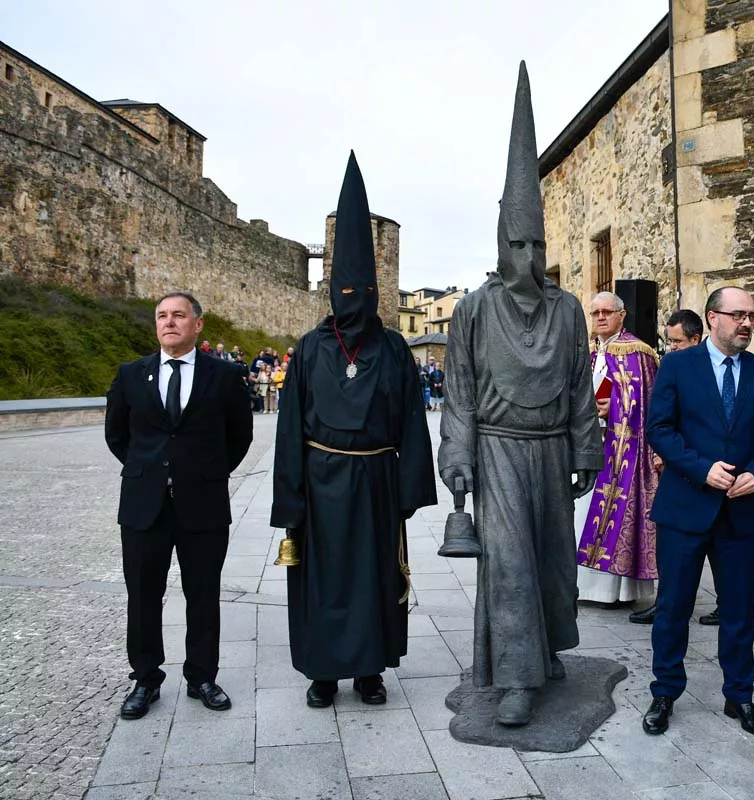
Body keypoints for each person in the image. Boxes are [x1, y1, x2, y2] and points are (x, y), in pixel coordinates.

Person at [439, 61, 602, 728]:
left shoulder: (567, 311)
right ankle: (514, 678)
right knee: (509, 564)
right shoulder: (474, 311)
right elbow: (459, 391)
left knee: (552, 564)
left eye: (538, 242)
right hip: (502, 452)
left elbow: (577, 385)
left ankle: (547, 651)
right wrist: (458, 456)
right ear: (501, 244)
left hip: (550, 449)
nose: (530, 255)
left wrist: (585, 451)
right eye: (519, 242)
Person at [271, 153, 438, 709]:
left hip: (375, 479)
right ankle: (323, 670)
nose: (353, 304)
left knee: (374, 576)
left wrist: (411, 486)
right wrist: (289, 497)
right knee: (323, 576)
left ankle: (370, 669)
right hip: (320, 480)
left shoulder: (393, 348)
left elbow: (413, 420)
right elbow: (290, 427)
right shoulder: (312, 348)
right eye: (344, 293)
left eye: (361, 293)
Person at [642, 286, 754, 738]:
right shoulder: (678, 365)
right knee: (673, 607)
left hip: (738, 514)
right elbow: (658, 429)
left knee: (740, 610)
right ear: (713, 318)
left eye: (752, 316)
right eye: (738, 315)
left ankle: (739, 696)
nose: (747, 323)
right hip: (684, 508)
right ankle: (664, 692)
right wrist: (702, 469)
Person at [104, 292, 253, 720]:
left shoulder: (224, 377)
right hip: (143, 505)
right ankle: (146, 678)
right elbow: (118, 436)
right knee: (143, 595)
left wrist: (205, 473)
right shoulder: (132, 375)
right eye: (162, 316)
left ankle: (202, 676)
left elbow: (238, 437)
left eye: (178, 315)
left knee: (203, 595)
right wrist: (148, 471)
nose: (169, 322)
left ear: (197, 324)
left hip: (202, 504)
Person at [575, 291, 659, 614]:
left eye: (607, 312)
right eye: (595, 312)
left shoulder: (638, 352)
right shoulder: (595, 351)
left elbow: (648, 406)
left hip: (623, 451)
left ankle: (617, 591)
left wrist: (616, 408)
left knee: (613, 515)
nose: (600, 318)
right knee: (584, 515)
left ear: (622, 315)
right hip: (592, 445)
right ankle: (588, 585)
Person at [652, 308, 719, 627]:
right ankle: (668, 601)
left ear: (696, 338)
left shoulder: (716, 372)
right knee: (675, 559)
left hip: (716, 478)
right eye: (668, 341)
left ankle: (725, 601)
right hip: (680, 477)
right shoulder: (672, 368)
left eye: (676, 341)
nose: (671, 347)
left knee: (720, 552)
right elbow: (662, 421)